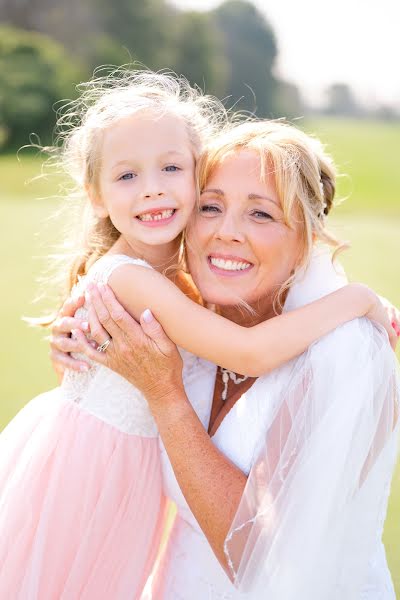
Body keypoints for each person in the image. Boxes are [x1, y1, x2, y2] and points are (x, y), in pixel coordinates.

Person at [1, 71, 393, 599]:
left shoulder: (331, 348)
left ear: (307, 236)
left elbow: (269, 558)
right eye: (212, 206)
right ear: (97, 197)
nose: (227, 230)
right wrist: (361, 299)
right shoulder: (167, 295)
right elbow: (243, 355)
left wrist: (352, 305)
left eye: (261, 213)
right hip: (91, 499)